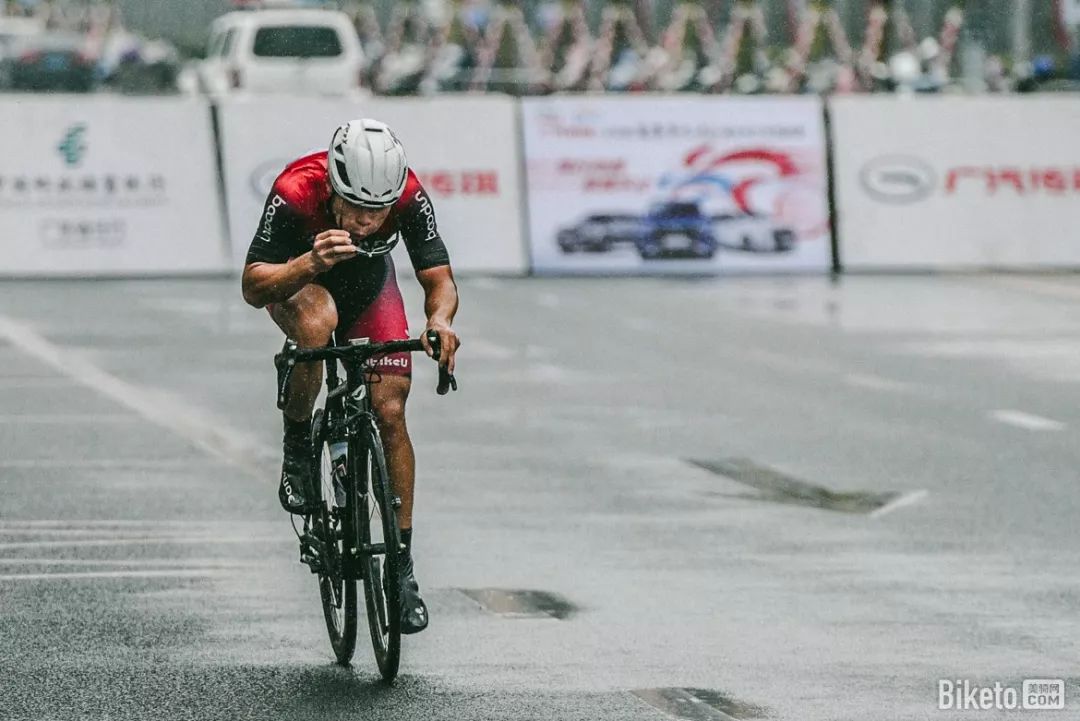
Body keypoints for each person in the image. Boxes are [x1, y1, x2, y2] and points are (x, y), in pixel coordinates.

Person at [241, 118, 460, 635]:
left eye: (377, 211)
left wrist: (440, 320)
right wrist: (308, 262)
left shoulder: (406, 193)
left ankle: (401, 568)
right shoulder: (296, 189)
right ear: (333, 188)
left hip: (368, 289)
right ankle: (298, 443)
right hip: (302, 284)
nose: (365, 222)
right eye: (355, 208)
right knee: (317, 326)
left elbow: (439, 278)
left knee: (390, 408)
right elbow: (254, 286)